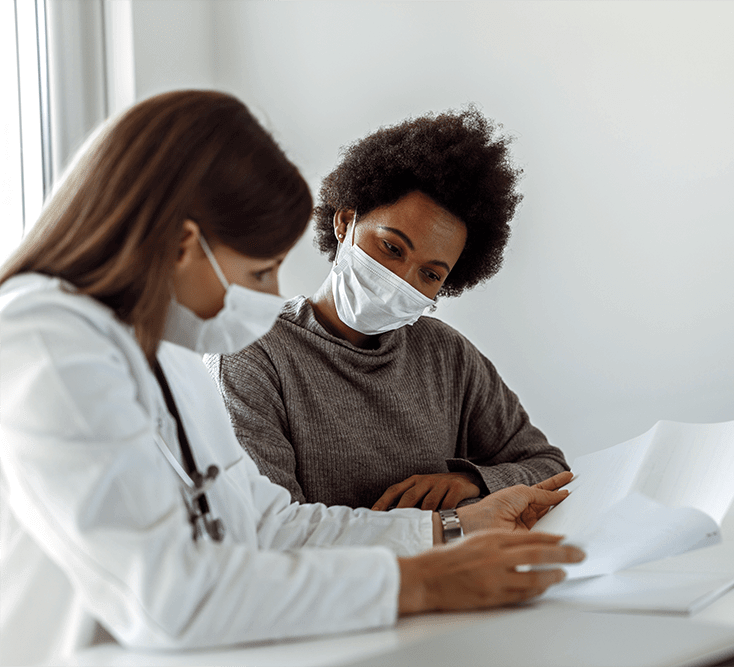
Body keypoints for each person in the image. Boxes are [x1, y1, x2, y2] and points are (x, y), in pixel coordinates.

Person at [0, 91, 584, 667]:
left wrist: (448, 528)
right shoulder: (48, 344)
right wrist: (420, 582)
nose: (270, 297)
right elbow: (168, 599)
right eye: (259, 270)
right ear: (183, 245)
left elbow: (268, 525)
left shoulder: (167, 349)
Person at [209, 108, 569, 512]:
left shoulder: (447, 356)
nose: (401, 279)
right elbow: (270, 532)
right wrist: (443, 528)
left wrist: (472, 481)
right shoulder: (250, 353)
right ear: (345, 222)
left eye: (430, 274)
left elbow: (549, 467)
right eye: (392, 248)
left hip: (454, 574)